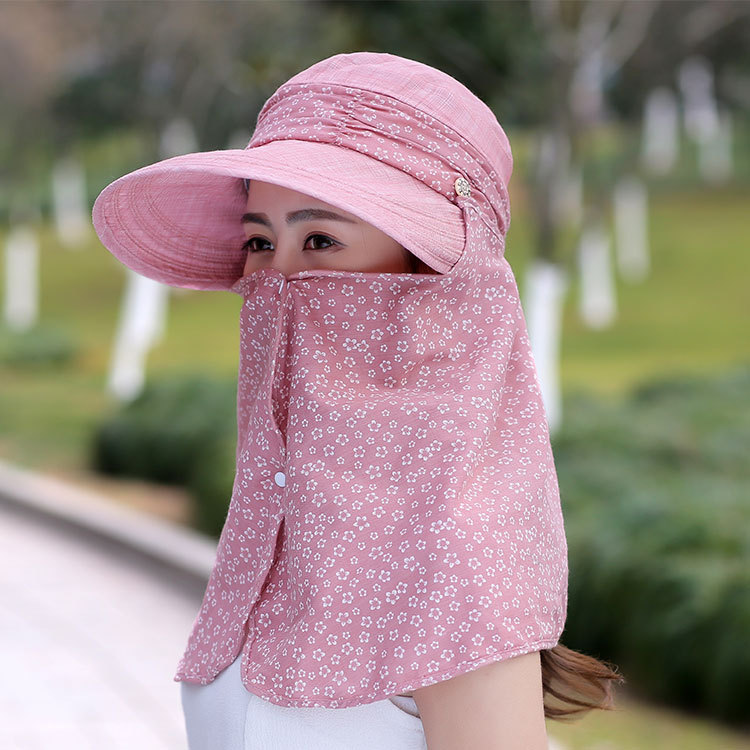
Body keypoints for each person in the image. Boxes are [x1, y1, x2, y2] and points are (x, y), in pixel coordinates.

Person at [92, 51, 623, 750]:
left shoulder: (458, 556)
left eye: (321, 239)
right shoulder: (276, 527)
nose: (276, 279)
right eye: (259, 240)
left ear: (432, 282)